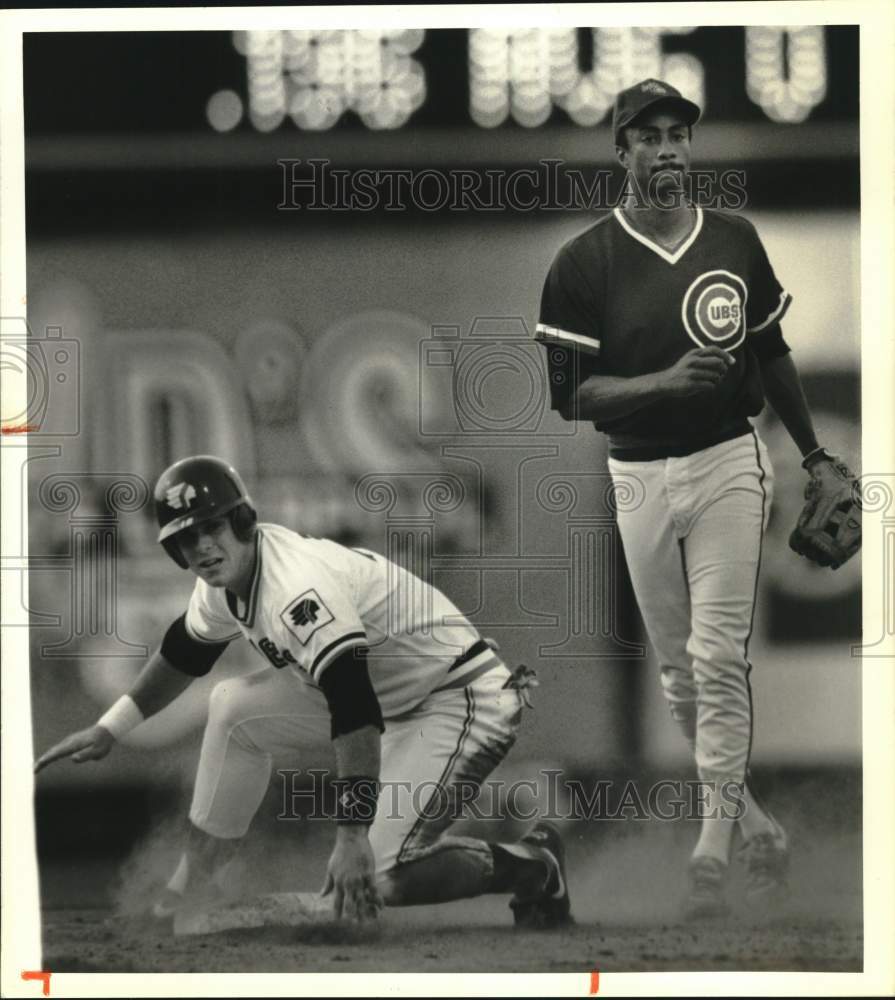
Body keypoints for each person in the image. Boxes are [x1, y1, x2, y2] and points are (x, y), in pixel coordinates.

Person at [535, 78, 851, 918]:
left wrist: (815, 456)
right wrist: (663, 381)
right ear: (623, 151)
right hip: (636, 474)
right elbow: (569, 397)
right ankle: (755, 827)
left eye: (679, 133)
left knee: (716, 655)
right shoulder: (581, 263)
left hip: (724, 464)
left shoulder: (734, 241)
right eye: (650, 136)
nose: (669, 148)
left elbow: (771, 353)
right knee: (679, 678)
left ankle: (710, 848)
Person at [35, 455, 571, 929]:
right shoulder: (223, 581)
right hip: (391, 696)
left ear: (242, 520)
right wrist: (112, 728)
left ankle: (535, 866)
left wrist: (352, 835)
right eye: (185, 538)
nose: (201, 545)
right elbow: (184, 652)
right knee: (233, 707)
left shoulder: (295, 588)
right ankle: (189, 887)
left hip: (459, 696)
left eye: (212, 527)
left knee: (379, 876)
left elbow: (352, 702)